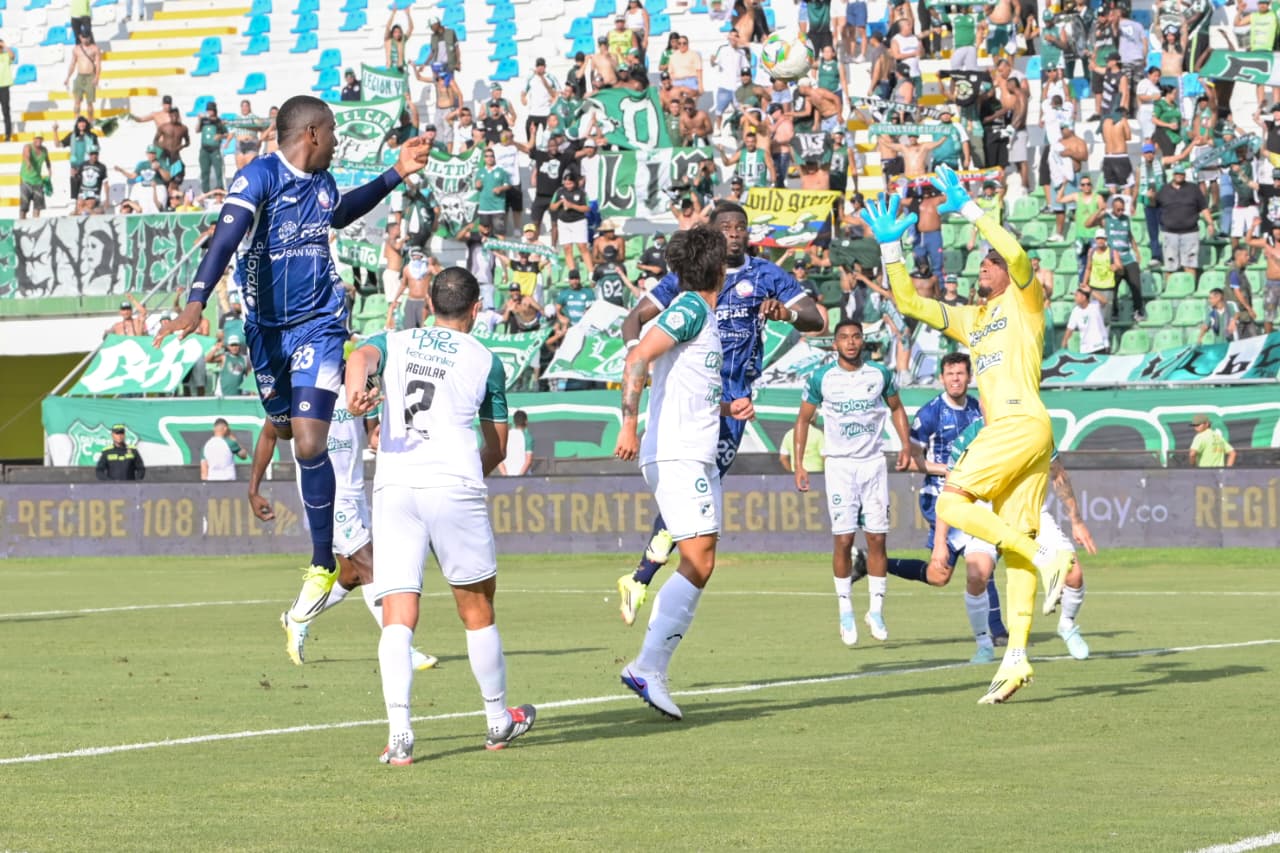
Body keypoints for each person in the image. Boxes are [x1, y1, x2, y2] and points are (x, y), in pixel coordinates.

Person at [154, 95, 429, 625]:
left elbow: (341, 211)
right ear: (312, 134)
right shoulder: (258, 178)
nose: (336, 143)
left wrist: (396, 172)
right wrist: (195, 302)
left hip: (321, 323)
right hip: (266, 334)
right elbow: (225, 239)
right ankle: (323, 557)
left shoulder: (322, 184)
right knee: (281, 425)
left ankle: (321, 560)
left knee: (308, 440)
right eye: (332, 134)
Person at [861, 165, 1077, 704]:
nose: (984, 266)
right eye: (982, 261)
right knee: (1021, 546)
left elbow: (1020, 256)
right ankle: (1017, 657)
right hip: (1028, 436)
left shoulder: (1025, 305)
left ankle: (1054, 560)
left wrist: (970, 211)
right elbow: (909, 304)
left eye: (990, 262)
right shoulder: (971, 319)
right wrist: (892, 249)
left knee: (954, 502)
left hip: (1017, 423)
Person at [344, 267, 536, 764]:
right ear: (476, 309)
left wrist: (356, 391)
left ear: (428, 305)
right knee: (476, 608)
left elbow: (360, 357)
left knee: (398, 615)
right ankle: (497, 720)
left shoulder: (393, 340)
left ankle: (400, 735)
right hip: (453, 483)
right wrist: (473, 474)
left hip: (395, 486)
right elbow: (495, 444)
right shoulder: (486, 359)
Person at [615, 203, 826, 625]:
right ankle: (646, 583)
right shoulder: (688, 283)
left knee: (698, 505)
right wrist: (635, 358)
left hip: (732, 405)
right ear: (713, 235)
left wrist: (785, 313)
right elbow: (634, 319)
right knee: (694, 507)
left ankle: (642, 578)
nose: (734, 232)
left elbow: (816, 319)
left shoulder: (765, 275)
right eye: (725, 227)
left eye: (740, 227)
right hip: (693, 398)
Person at [613, 225, 746, 720]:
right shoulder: (691, 307)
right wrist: (628, 424)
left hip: (692, 451)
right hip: (676, 454)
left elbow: (679, 376)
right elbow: (638, 358)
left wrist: (726, 407)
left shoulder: (696, 314)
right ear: (719, 270)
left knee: (701, 557)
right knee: (700, 559)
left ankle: (650, 664)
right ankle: (649, 666)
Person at [249, 391, 438, 671]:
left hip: (356, 491)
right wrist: (253, 489)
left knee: (350, 574)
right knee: (370, 564)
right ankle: (399, 648)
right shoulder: (298, 383)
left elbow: (371, 431)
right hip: (325, 494)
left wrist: (378, 438)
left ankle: (297, 615)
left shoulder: (358, 380)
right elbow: (268, 435)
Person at [793, 320, 910, 646]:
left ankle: (876, 610)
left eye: (856, 336)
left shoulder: (880, 374)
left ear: (863, 340)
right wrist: (799, 464)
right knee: (843, 540)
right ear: (835, 344)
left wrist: (905, 444)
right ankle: (845, 609)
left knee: (877, 539)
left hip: (873, 465)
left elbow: (897, 408)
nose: (851, 342)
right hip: (840, 468)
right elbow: (803, 420)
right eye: (844, 337)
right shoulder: (822, 378)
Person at [1155, 164, 1215, 276]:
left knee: (1190, 265)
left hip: (1190, 233)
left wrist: (1210, 223)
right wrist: (1150, 197)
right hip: (1170, 233)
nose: (1179, 176)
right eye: (1177, 173)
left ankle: (1191, 288)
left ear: (1184, 175)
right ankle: (1170, 289)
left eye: (1181, 173)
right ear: (1173, 175)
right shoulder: (1164, 189)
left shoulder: (1193, 189)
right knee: (1170, 267)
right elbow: (1155, 206)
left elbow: (1203, 207)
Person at [550, 171, 592, 275]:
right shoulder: (559, 192)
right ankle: (572, 272)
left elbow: (587, 208)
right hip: (563, 223)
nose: (568, 185)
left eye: (570, 183)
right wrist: (560, 202)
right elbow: (552, 207)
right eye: (566, 183)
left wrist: (572, 206)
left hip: (578, 222)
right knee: (567, 248)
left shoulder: (581, 193)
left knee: (582, 246)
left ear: (575, 183)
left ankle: (591, 272)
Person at [64, 31, 101, 123]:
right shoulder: (76, 49)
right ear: (80, 37)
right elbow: (72, 63)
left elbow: (98, 64)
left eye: (87, 37)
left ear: (90, 37)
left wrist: (97, 77)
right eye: (83, 37)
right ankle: (76, 119)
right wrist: (68, 77)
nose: (85, 39)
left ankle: (90, 120)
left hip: (90, 76)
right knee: (77, 100)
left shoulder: (95, 48)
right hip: (80, 76)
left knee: (89, 102)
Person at [391, 248, 433, 330]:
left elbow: (440, 274)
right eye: (414, 255)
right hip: (411, 301)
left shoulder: (428, 269)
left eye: (418, 255)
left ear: (422, 256)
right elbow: (403, 285)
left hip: (424, 302)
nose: (416, 257)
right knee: (409, 329)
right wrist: (395, 299)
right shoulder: (407, 269)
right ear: (411, 256)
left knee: (424, 328)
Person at [1063, 286, 1110, 354]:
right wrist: (1064, 343)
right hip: (1085, 349)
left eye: (1076, 295)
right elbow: (1069, 329)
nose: (1074, 298)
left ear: (1084, 297)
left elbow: (1104, 301)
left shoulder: (1095, 305)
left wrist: (1090, 291)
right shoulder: (1075, 311)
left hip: (1101, 346)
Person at [196, 100, 227, 194]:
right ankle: (205, 191)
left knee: (218, 171)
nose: (210, 112)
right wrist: (199, 120)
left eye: (211, 110)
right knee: (204, 171)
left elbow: (226, 134)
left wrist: (220, 136)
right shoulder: (204, 120)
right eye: (208, 110)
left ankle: (220, 190)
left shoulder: (218, 121)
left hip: (215, 149)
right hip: (204, 149)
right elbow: (197, 130)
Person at [499, 410, 535, 476]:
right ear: (526, 421)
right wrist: (518, 478)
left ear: (514, 422)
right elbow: (528, 461)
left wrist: (505, 477)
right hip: (524, 480)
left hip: (508, 480)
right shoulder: (528, 437)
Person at [76, 148, 109, 214]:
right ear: (89, 155)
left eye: (96, 154)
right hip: (83, 192)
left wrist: (107, 198)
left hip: (94, 193)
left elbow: (106, 183)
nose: (94, 156)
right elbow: (78, 179)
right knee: (79, 206)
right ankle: (92, 214)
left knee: (89, 205)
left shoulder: (102, 167)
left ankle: (92, 214)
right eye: (92, 154)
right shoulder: (83, 165)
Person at [0, 38, 15, 141]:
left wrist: (4, 45)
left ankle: (8, 134)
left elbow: (13, 56)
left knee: (6, 110)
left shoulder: (6, 56)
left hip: (4, 86)